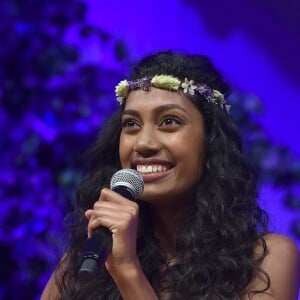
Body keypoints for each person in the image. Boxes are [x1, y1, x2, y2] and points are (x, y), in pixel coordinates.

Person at [41, 51, 300, 299]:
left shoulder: (266, 259)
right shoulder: (88, 258)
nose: (144, 143)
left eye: (169, 122)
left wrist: (128, 271)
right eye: (131, 124)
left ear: (210, 141)